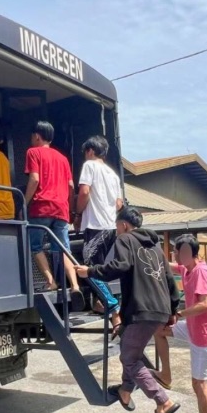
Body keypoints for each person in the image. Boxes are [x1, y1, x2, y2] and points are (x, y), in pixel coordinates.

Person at [75, 206, 181, 413]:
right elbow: (170, 281)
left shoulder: (125, 240)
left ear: (123, 225)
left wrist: (90, 271)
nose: (116, 231)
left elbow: (120, 266)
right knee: (129, 348)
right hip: (158, 309)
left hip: (141, 309)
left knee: (129, 359)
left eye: (116, 227)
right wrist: (172, 310)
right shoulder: (156, 248)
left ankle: (163, 401)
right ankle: (125, 390)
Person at [151, 234, 207, 413]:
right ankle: (166, 374)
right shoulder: (186, 268)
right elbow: (169, 266)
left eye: (182, 252)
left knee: (199, 385)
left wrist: (179, 314)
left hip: (204, 334)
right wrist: (148, 252)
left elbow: (206, 304)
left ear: (193, 253)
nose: (178, 256)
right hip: (192, 329)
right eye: (177, 252)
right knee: (159, 330)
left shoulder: (200, 271)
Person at [25, 121, 83, 308]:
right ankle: (74, 286)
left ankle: (51, 281)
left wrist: (24, 202)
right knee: (63, 248)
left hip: (41, 207)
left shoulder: (33, 152)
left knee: (35, 246)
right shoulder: (63, 158)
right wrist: (70, 208)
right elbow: (71, 186)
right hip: (61, 209)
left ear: (37, 136)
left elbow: (34, 178)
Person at [75, 135, 123, 329]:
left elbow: (84, 192)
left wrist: (78, 213)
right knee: (98, 267)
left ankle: (113, 309)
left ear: (90, 151)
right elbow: (119, 203)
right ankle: (99, 303)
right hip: (111, 226)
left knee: (89, 269)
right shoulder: (113, 174)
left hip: (96, 225)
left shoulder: (90, 166)